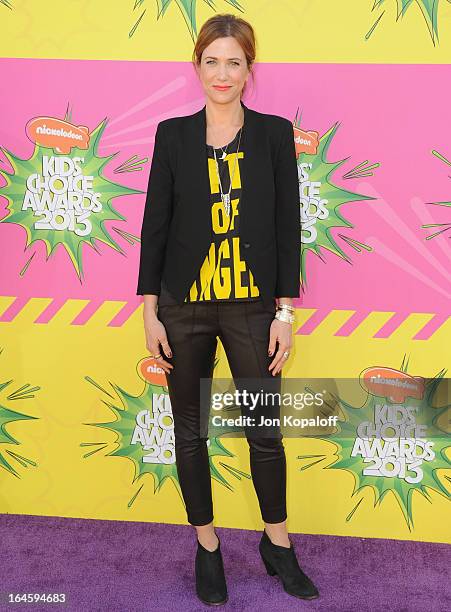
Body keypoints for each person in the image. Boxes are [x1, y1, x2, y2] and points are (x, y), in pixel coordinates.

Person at [136, 13, 319, 606]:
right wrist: (149, 309)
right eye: (211, 61)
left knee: (263, 432)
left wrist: (284, 314)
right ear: (197, 67)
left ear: (249, 70)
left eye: (233, 62)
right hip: (182, 307)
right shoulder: (172, 135)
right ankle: (207, 545)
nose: (222, 73)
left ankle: (278, 544)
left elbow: (288, 227)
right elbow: (155, 225)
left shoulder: (273, 135)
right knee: (189, 434)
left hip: (252, 309)